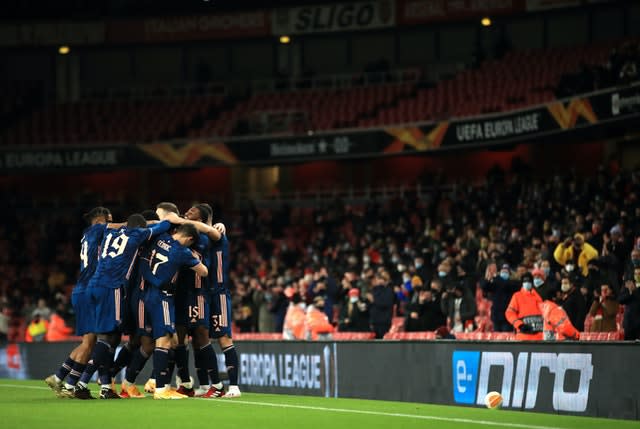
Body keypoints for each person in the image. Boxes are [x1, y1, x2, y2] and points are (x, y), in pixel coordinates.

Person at [74, 213, 172, 400]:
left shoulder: (110, 234)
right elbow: (159, 228)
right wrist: (173, 219)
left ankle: (105, 386)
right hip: (113, 288)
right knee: (109, 336)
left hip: (94, 285)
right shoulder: (137, 235)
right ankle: (81, 381)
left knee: (110, 337)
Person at [44, 207, 111, 398]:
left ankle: (59, 378)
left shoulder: (87, 234)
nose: (111, 223)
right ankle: (71, 384)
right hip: (89, 291)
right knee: (90, 343)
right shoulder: (98, 229)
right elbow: (123, 228)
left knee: (88, 341)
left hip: (81, 289)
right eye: (109, 220)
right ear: (99, 221)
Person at [141, 221, 208, 400]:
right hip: (163, 296)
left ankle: (162, 384)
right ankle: (161, 388)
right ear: (189, 239)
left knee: (169, 340)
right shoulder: (182, 251)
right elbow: (204, 272)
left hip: (148, 292)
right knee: (163, 340)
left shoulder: (160, 238)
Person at [480, 263, 519, 332]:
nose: (504, 273)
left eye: (506, 272)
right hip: (496, 315)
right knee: (497, 337)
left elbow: (505, 284)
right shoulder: (496, 282)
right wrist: (487, 278)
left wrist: (496, 277)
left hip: (507, 316)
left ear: (510, 274)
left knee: (506, 336)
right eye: (503, 271)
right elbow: (484, 287)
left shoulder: (513, 283)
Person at [505, 273, 543, 340]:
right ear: (522, 283)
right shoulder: (517, 296)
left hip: (539, 337)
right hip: (523, 336)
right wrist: (520, 325)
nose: (527, 283)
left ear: (532, 283)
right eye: (525, 281)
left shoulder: (538, 297)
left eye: (528, 281)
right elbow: (509, 313)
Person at [367, 270, 394, 339]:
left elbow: (386, 304)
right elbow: (371, 305)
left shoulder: (389, 290)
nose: (377, 281)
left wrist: (373, 300)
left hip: (384, 321)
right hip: (374, 320)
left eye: (379, 279)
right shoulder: (374, 289)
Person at [619, 273, 640, 340]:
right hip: (628, 323)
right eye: (627, 283)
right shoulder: (625, 291)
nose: (628, 285)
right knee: (628, 344)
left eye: (630, 283)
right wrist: (630, 292)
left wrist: (633, 291)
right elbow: (620, 300)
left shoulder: (638, 291)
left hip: (638, 323)